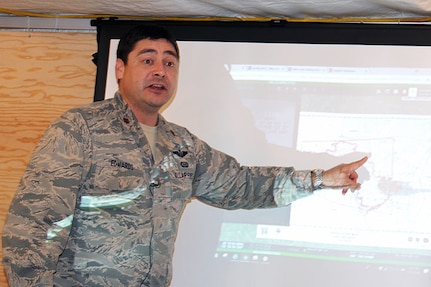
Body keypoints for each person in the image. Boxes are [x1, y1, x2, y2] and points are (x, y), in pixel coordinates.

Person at [2, 24, 368, 287]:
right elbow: (32, 227)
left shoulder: (183, 146)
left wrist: (321, 179)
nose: (160, 70)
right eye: (147, 60)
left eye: (170, 62)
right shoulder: (79, 129)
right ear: (120, 69)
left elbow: (241, 184)